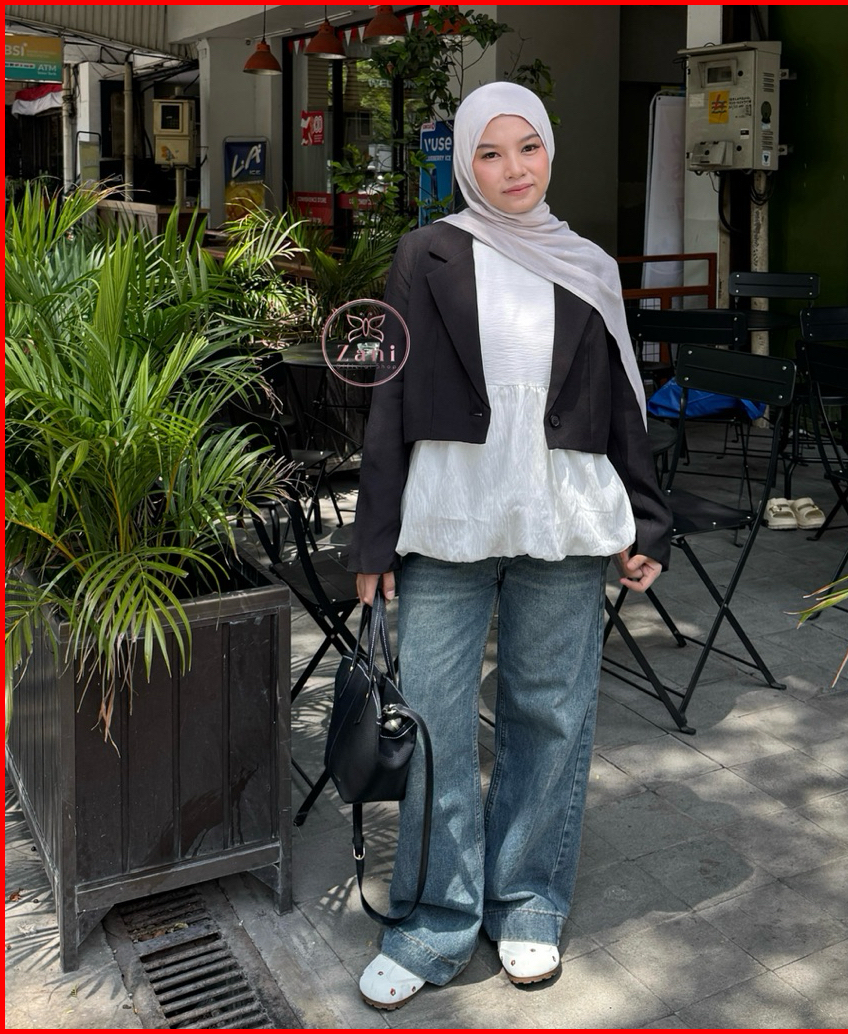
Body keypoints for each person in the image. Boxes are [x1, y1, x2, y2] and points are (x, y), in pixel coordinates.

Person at [348, 80, 672, 1010]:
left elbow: (621, 396)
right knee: (435, 718)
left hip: (560, 517)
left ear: (549, 151)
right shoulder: (427, 253)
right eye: (490, 153)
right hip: (449, 518)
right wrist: (373, 539)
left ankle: (528, 901)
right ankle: (436, 919)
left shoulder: (587, 262)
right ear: (466, 165)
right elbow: (390, 400)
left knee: (550, 714)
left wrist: (645, 521)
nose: (513, 169)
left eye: (526, 147)